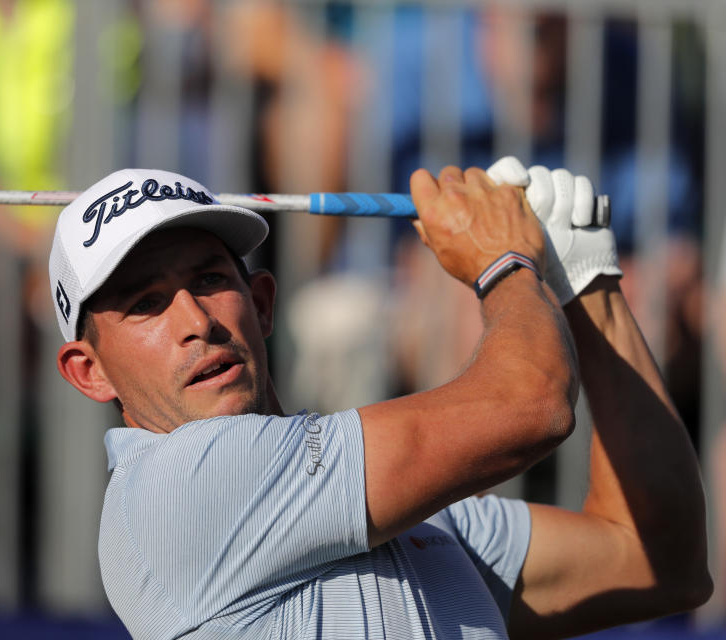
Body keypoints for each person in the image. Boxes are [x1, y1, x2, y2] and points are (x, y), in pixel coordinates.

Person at [47, 161, 710, 639]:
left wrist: (588, 282)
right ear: (88, 373)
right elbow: (531, 403)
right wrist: (506, 263)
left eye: (211, 278)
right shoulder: (176, 489)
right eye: (145, 304)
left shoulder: (420, 521)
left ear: (262, 303)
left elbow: (657, 558)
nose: (196, 318)